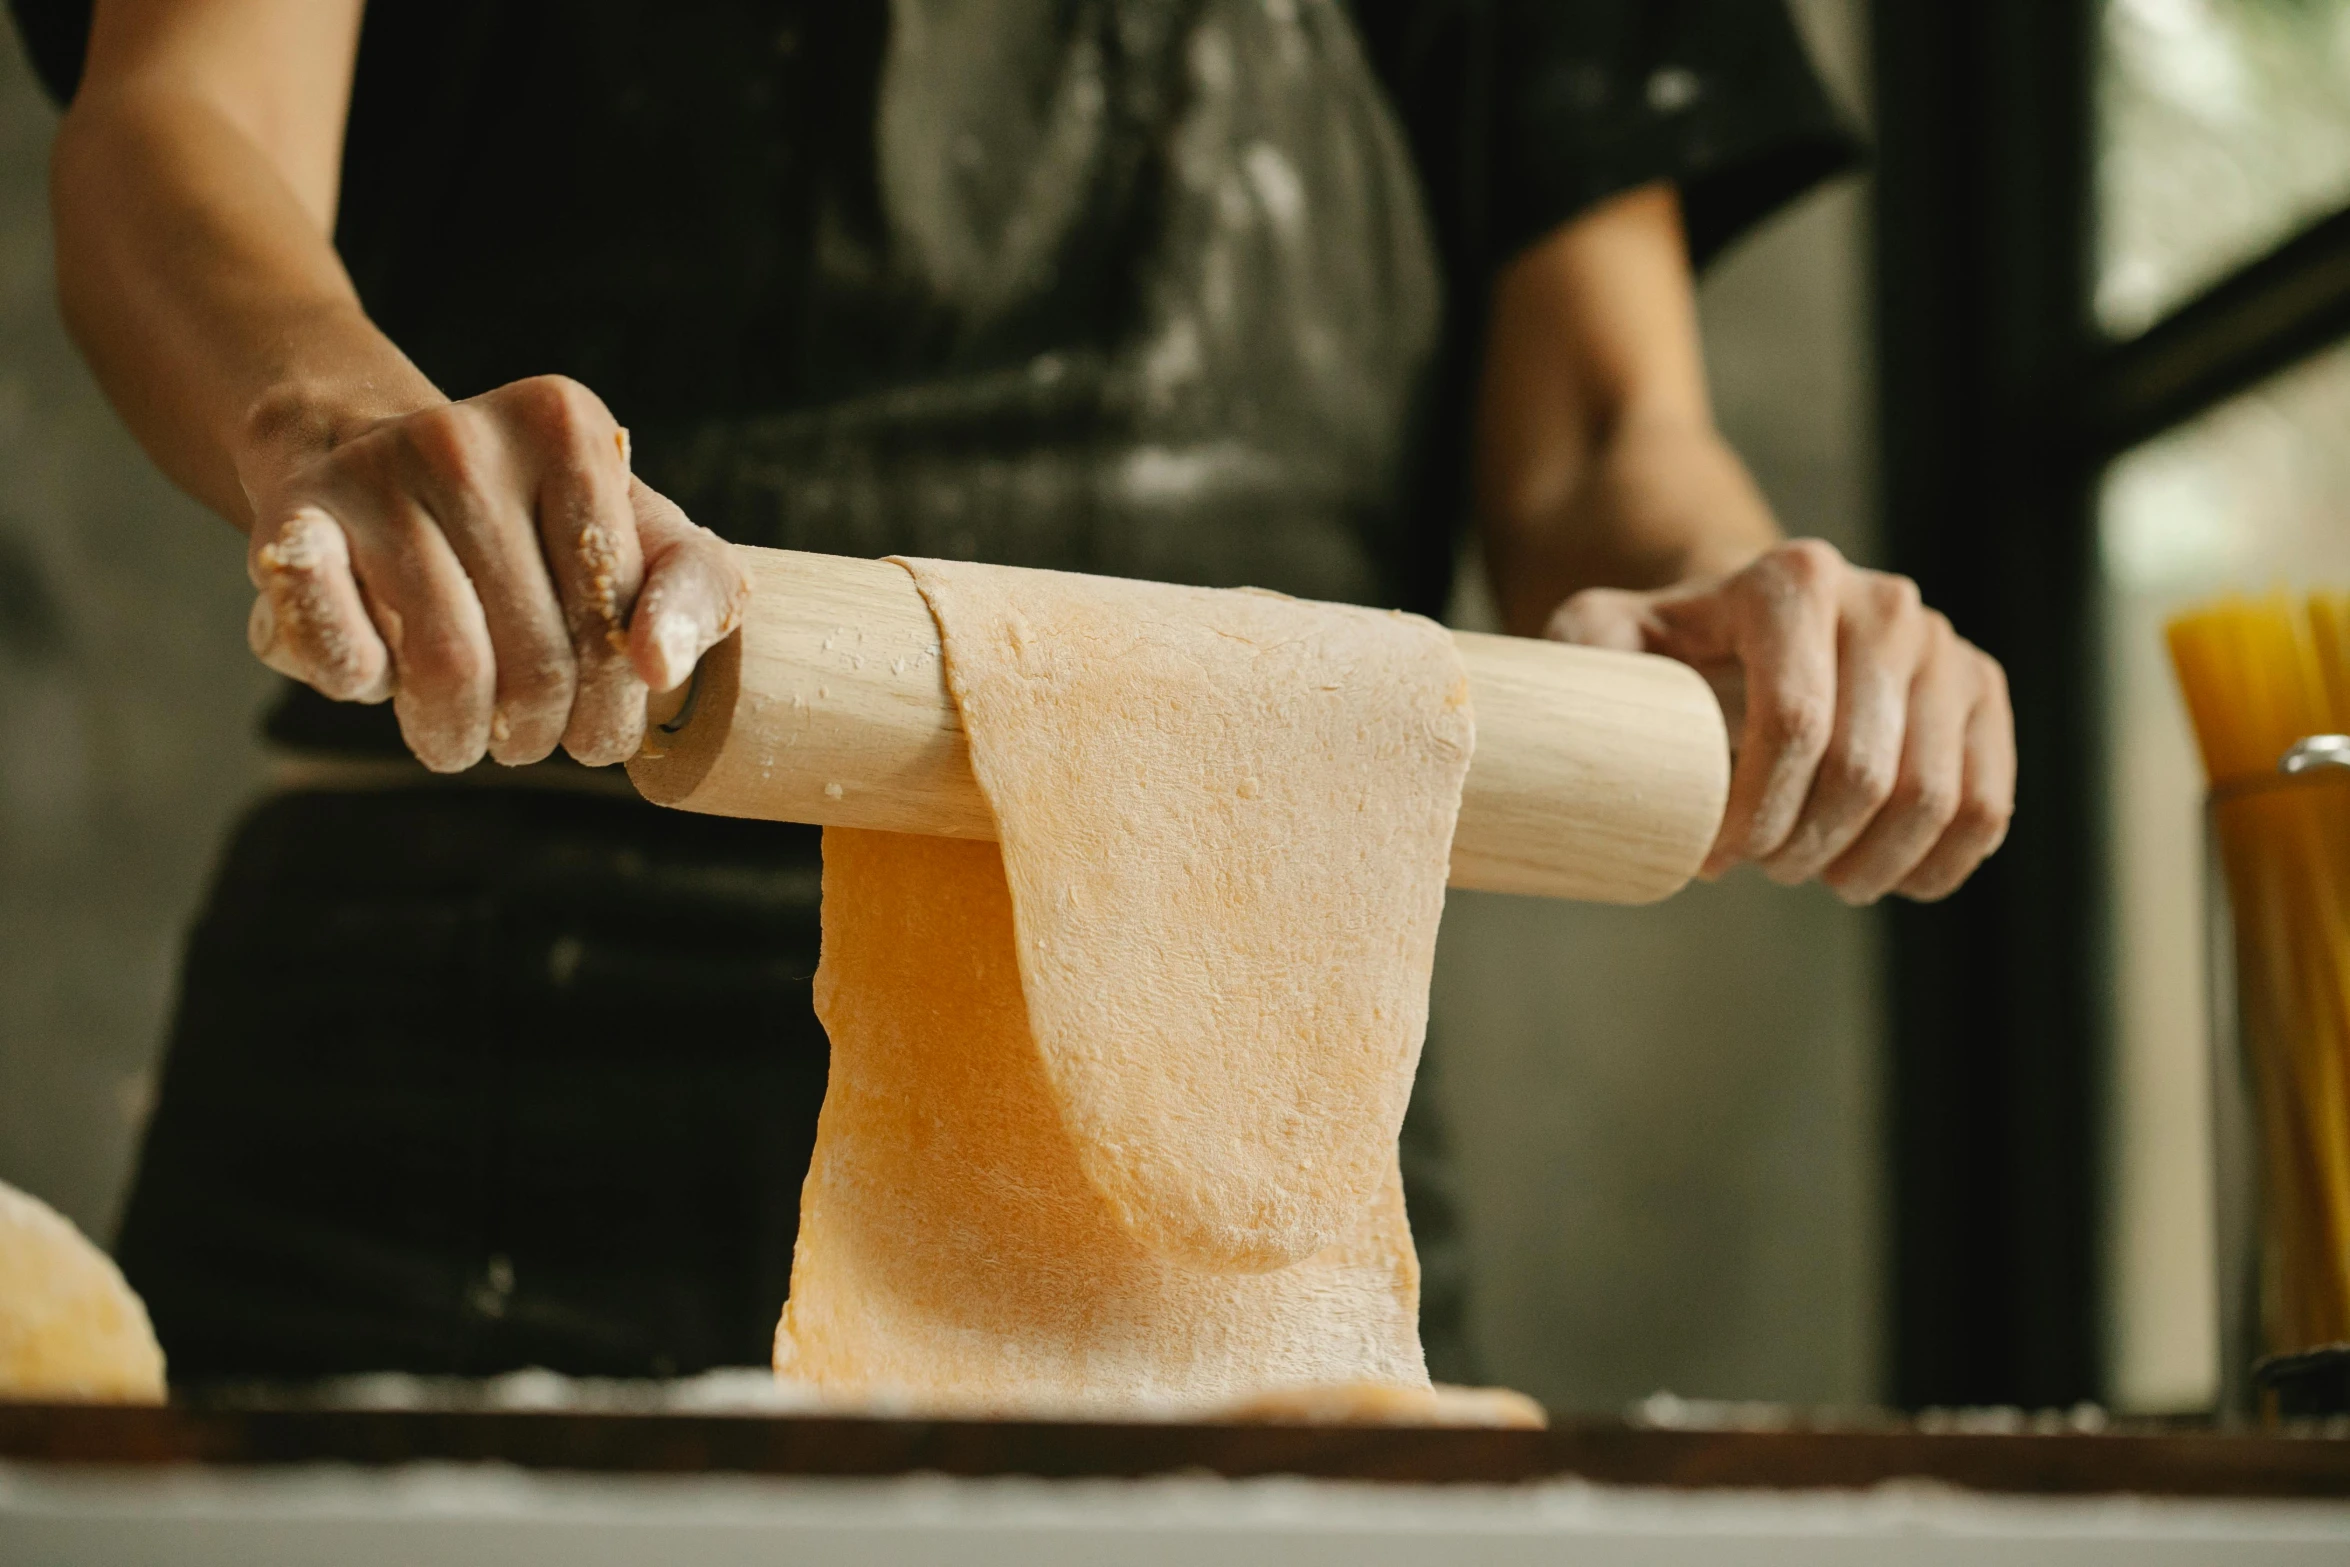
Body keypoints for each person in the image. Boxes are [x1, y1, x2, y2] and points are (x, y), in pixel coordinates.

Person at [16, 0, 2013, 1382]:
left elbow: (1594, 430)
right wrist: (331, 414)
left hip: (1227, 1130)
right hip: (443, 1064)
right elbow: (188, 107)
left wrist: (1710, 606)